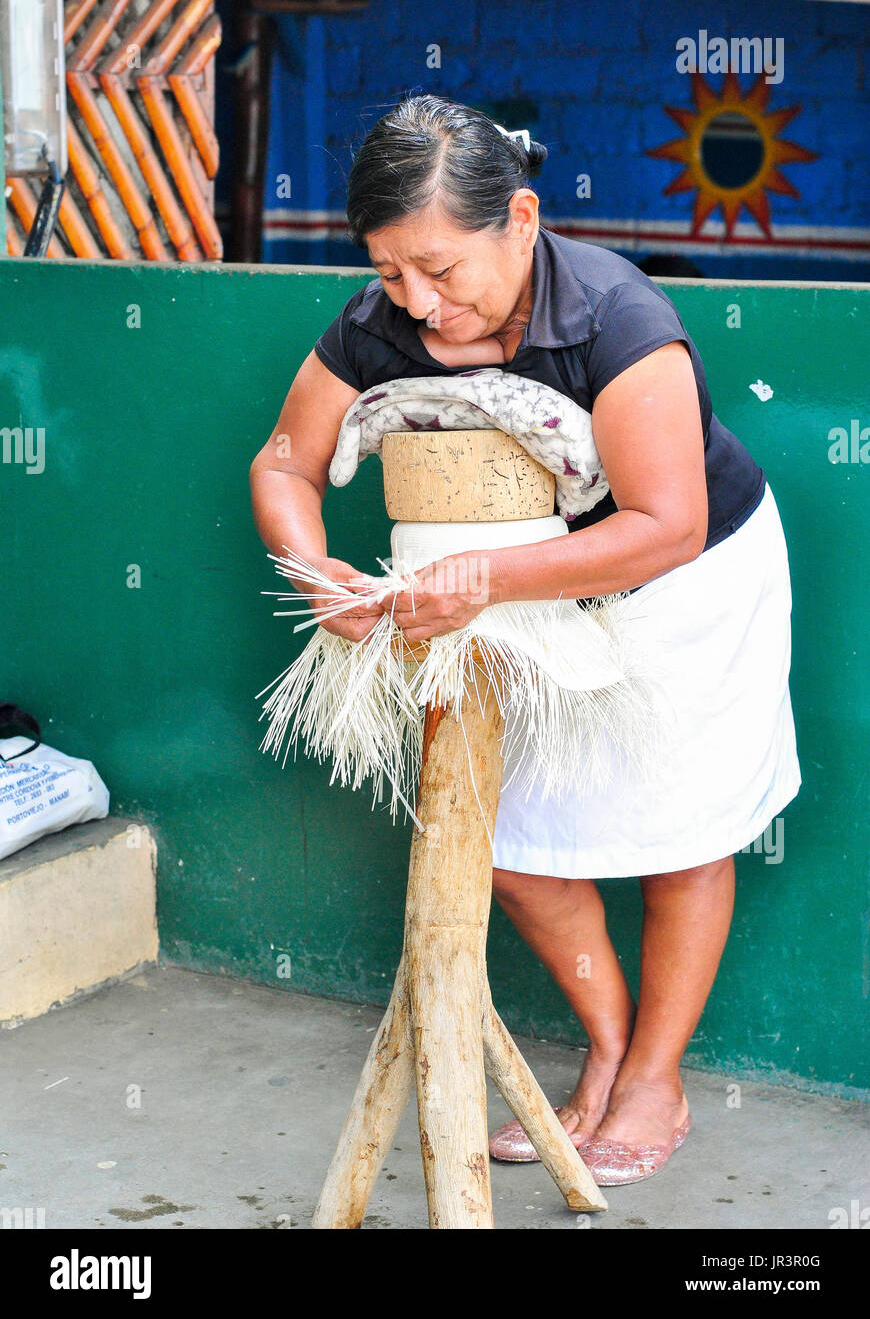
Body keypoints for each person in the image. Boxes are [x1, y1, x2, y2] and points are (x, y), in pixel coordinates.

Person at [249, 93, 801, 1187]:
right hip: (509, 602)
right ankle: (603, 1049)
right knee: (510, 845)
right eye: (390, 270)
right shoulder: (375, 322)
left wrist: (484, 578)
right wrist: (315, 573)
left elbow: (667, 522)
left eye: (443, 271)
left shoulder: (614, 315)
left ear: (523, 220)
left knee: (683, 833)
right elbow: (284, 461)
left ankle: (656, 1073)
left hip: (683, 586)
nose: (418, 303)